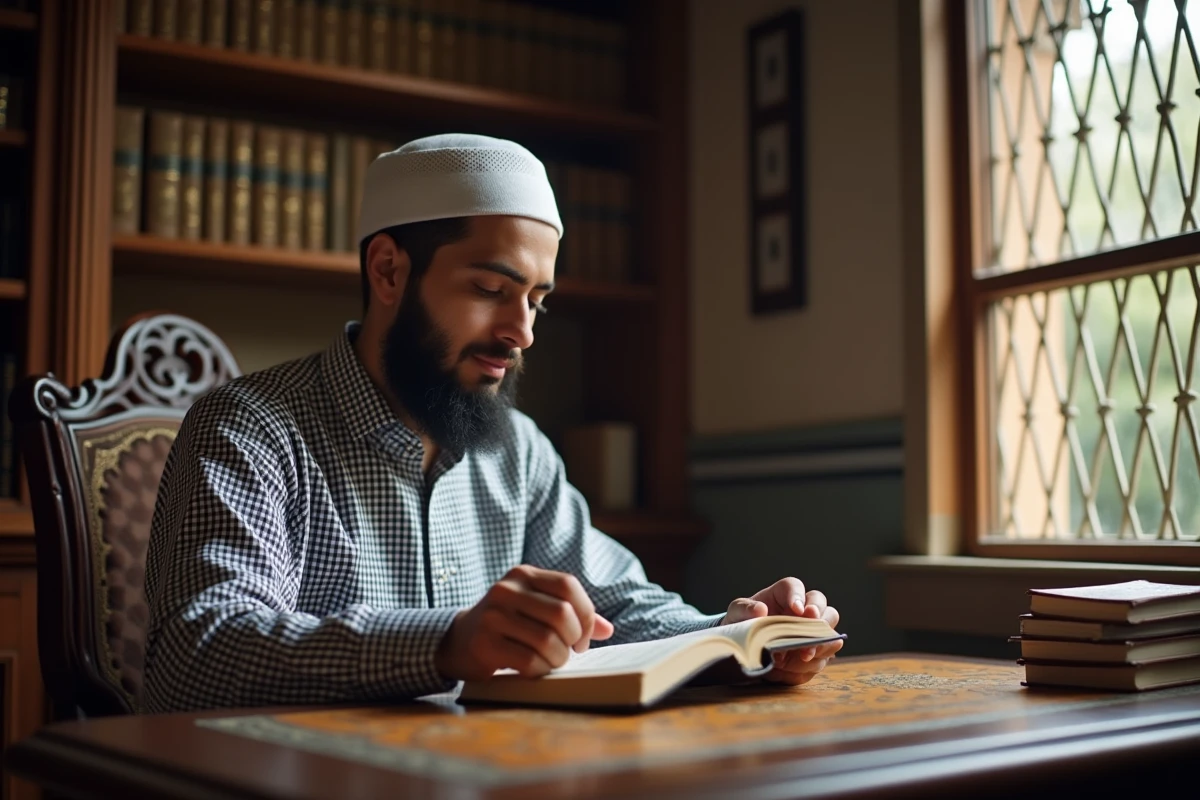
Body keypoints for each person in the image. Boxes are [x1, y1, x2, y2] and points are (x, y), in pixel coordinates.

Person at [142, 133, 842, 712]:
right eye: (490, 290)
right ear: (388, 271)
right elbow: (199, 654)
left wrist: (741, 635)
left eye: (537, 300)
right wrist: (446, 642)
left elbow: (620, 606)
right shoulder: (250, 429)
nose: (522, 331)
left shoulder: (518, 450)